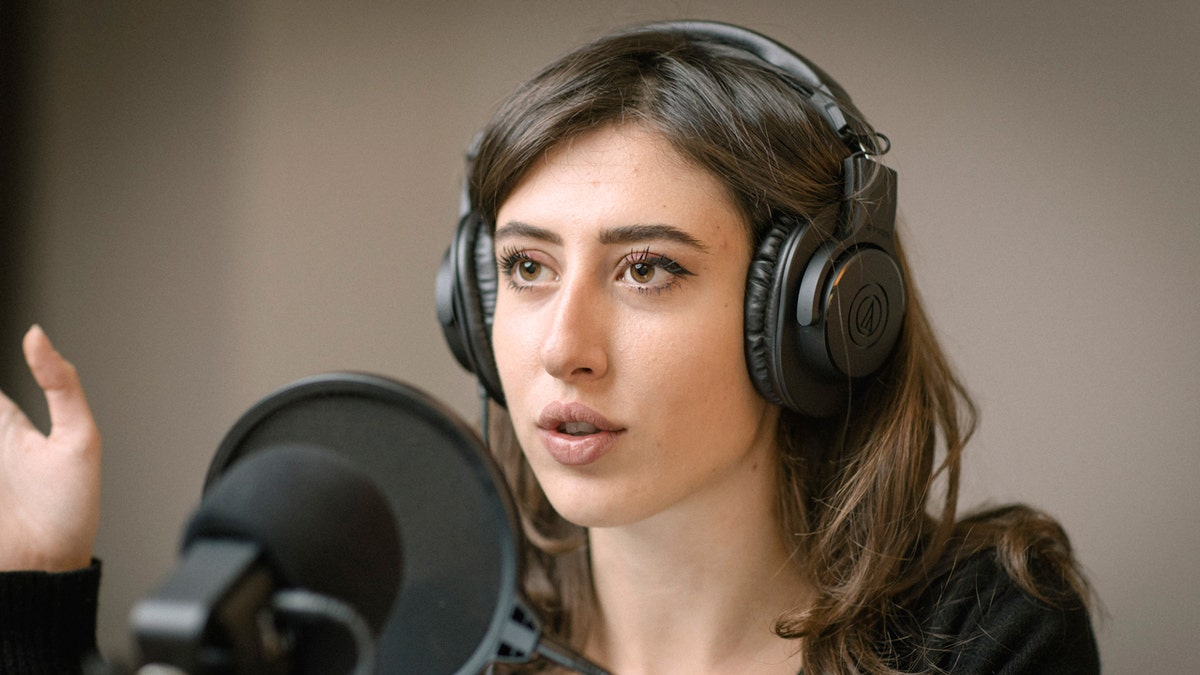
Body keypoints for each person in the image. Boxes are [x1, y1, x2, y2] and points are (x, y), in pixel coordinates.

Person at [1, 20, 1098, 675]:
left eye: (647, 270)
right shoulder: (402, 619)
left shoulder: (980, 631)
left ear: (811, 320)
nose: (563, 349)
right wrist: (36, 592)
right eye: (527, 268)